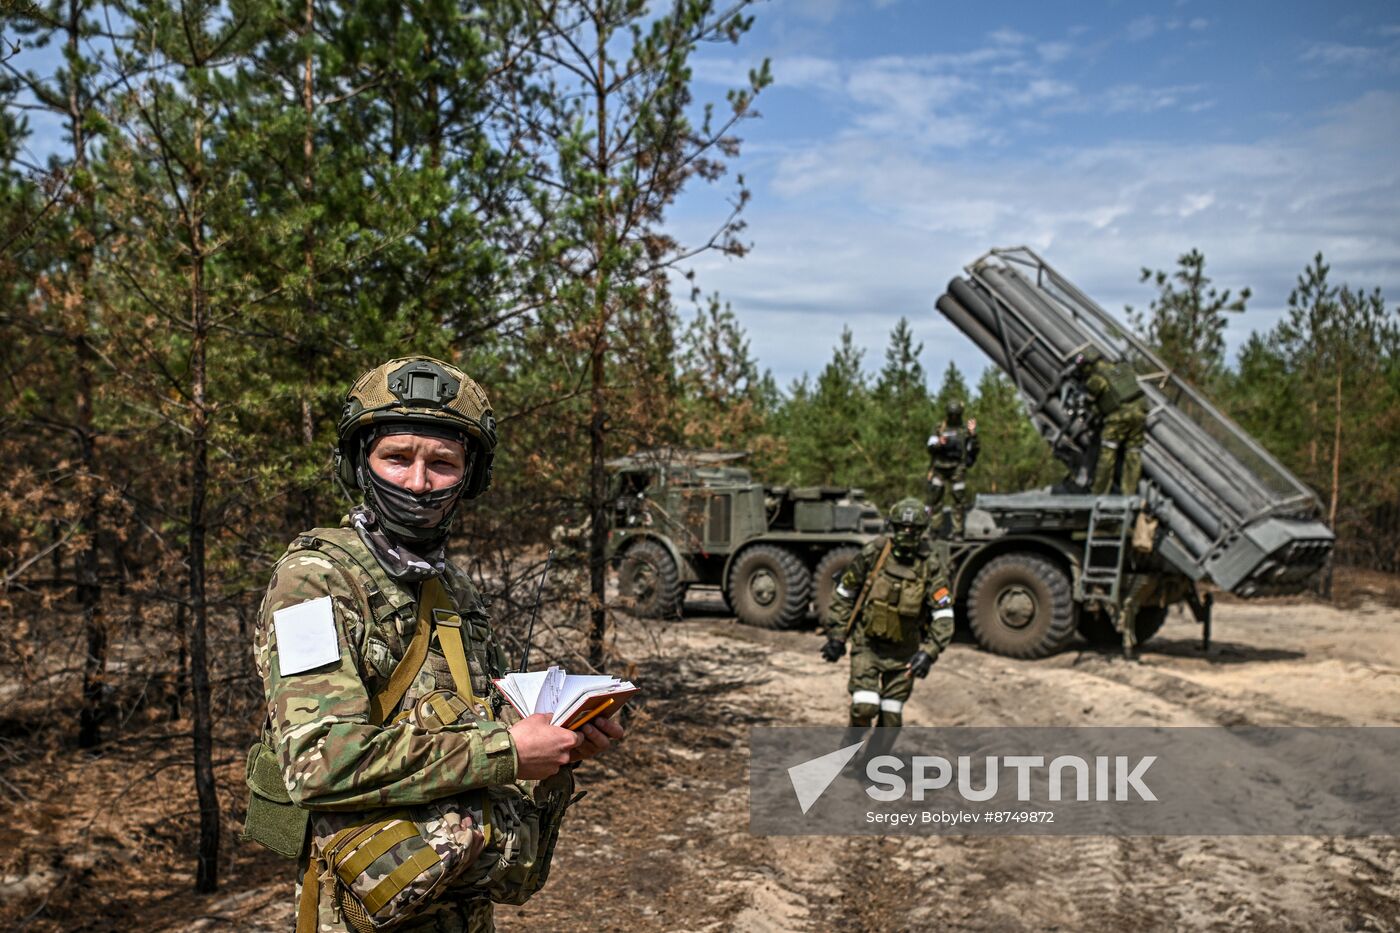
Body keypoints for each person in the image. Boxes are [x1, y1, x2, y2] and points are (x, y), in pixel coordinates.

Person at [246, 356, 623, 933]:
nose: (419, 483)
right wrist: (508, 751)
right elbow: (319, 762)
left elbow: (481, 722)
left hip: (458, 903)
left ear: (468, 478)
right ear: (360, 464)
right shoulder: (315, 581)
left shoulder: (451, 588)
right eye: (397, 458)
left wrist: (564, 736)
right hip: (361, 913)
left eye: (441, 464)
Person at [819, 497, 955, 728]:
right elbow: (845, 593)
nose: (907, 532)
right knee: (864, 707)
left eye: (913, 528)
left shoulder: (930, 566)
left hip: (904, 655)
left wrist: (929, 652)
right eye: (902, 527)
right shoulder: (874, 554)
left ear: (922, 530)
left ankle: (873, 762)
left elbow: (943, 614)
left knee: (891, 719)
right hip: (868, 647)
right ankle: (849, 757)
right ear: (893, 527)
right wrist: (837, 635)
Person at [1072, 348, 1147, 495]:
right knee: (1133, 452)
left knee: (1107, 452)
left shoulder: (1096, 379)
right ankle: (1129, 493)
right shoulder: (1122, 369)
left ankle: (1100, 493)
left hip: (1118, 417)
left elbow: (1091, 406)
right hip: (1140, 414)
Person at [926, 400, 979, 536]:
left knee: (958, 499)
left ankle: (958, 532)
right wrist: (939, 443)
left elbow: (974, 449)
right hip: (939, 467)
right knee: (935, 498)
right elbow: (930, 447)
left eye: (956, 415)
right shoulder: (939, 428)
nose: (954, 417)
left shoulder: (965, 430)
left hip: (957, 468)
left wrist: (973, 435)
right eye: (952, 415)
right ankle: (935, 529)